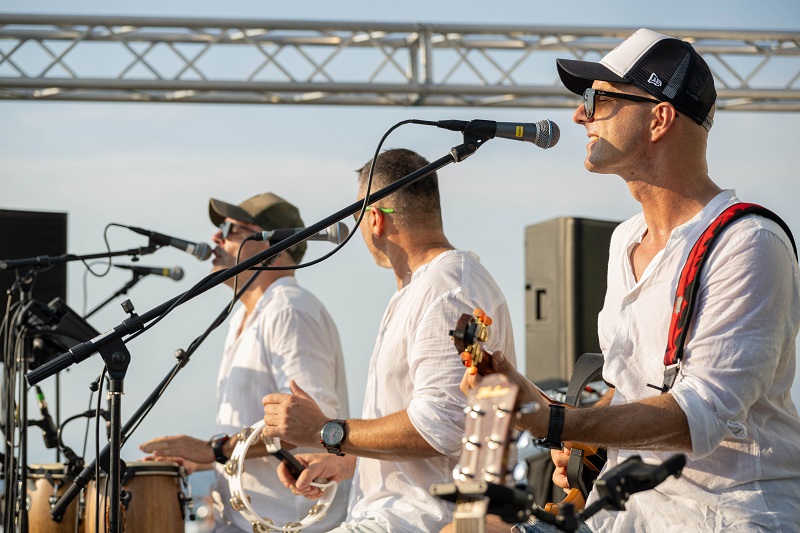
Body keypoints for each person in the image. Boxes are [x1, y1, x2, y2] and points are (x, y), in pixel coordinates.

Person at [465, 28, 800, 533]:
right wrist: (555, 416)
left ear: (659, 117)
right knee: (466, 529)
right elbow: (631, 390)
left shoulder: (749, 242)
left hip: (727, 518)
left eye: (597, 99)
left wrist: (555, 421)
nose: (580, 115)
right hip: (627, 514)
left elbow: (696, 414)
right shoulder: (625, 240)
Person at [260, 148, 517, 533]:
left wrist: (327, 431)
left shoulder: (447, 289)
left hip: (424, 522)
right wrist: (346, 458)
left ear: (375, 220)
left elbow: (440, 428)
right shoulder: (424, 289)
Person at [140, 192, 350, 532]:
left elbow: (312, 424)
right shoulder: (246, 315)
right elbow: (257, 431)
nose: (216, 237)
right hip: (251, 520)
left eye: (232, 228)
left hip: (288, 523)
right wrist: (203, 460)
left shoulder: (289, 309)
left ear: (277, 246)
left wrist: (215, 450)